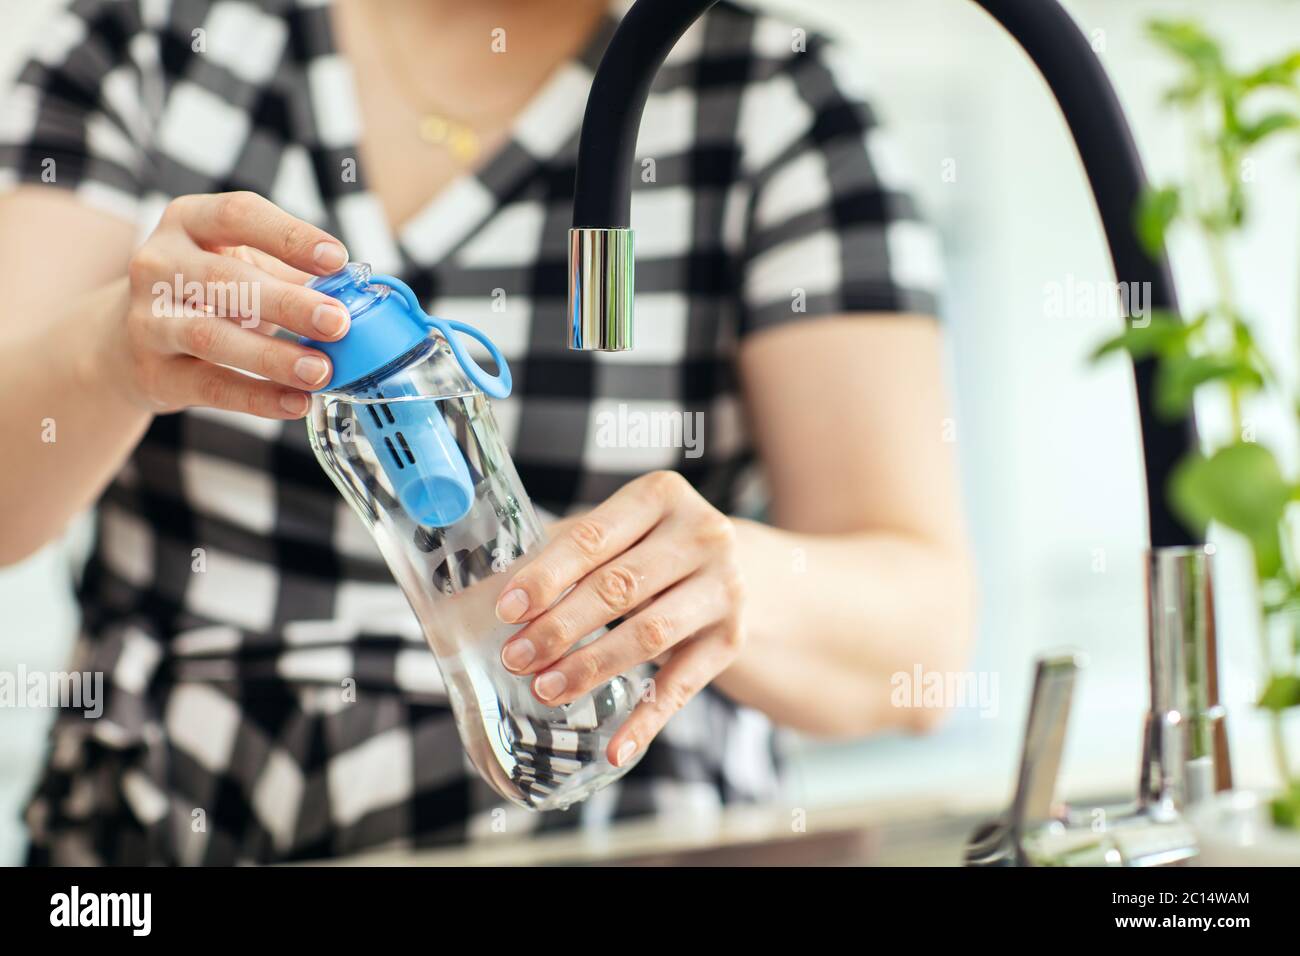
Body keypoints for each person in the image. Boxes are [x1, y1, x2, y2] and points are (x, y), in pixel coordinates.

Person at [0, 0, 974, 864]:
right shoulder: (152, 43)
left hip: (632, 827)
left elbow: (922, 644)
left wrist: (727, 580)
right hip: (179, 818)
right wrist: (106, 353)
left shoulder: (771, 99)